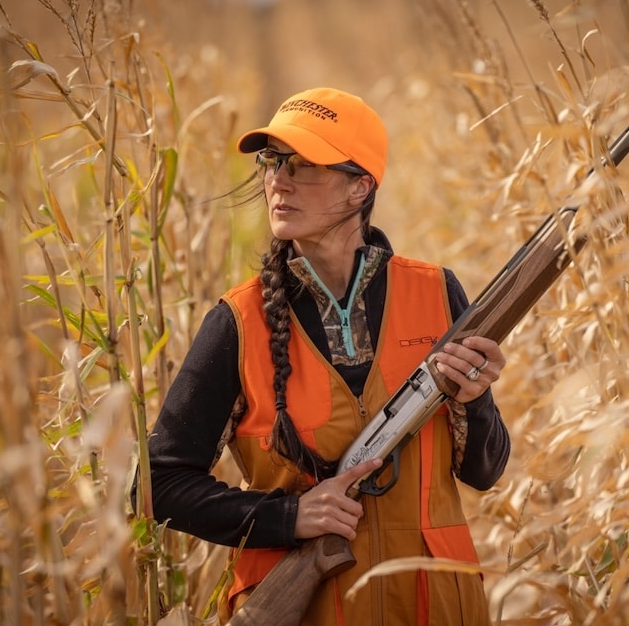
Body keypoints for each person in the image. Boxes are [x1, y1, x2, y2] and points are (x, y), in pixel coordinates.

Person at [143, 87, 510, 625]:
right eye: (272, 162)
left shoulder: (435, 292)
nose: (277, 180)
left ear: (360, 187)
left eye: (302, 164)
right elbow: (157, 484)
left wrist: (474, 401)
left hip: (435, 608)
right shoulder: (238, 321)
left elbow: (485, 470)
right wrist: (288, 516)